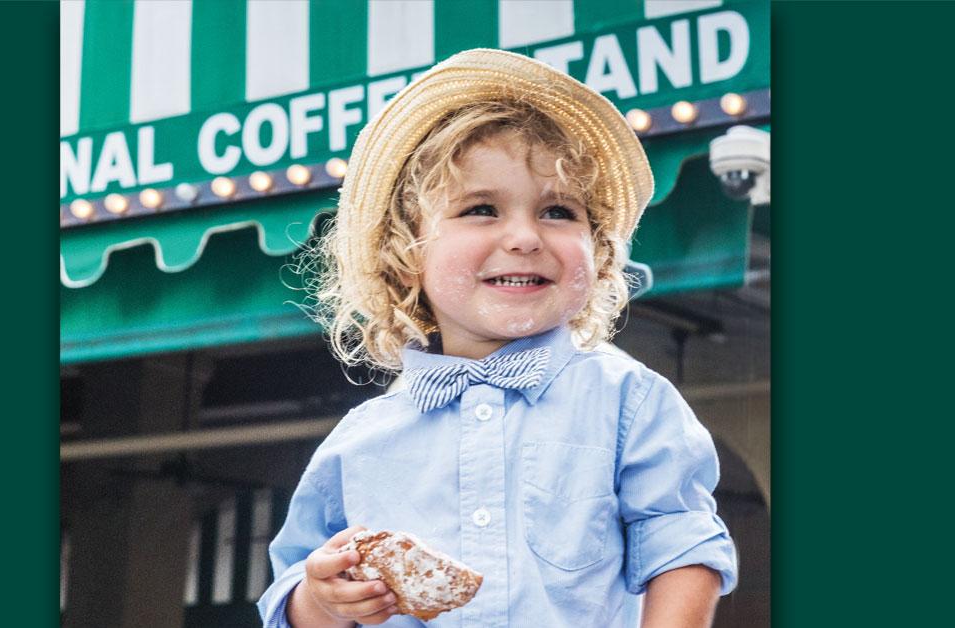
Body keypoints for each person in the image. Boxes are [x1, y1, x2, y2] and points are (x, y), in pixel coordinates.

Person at [257, 49, 737, 627]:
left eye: (558, 211)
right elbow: (293, 590)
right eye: (481, 208)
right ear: (406, 256)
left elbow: (681, 544)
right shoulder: (357, 443)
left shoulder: (630, 401)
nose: (525, 237)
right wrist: (320, 600)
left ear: (599, 252)